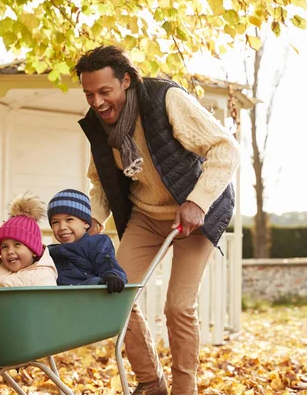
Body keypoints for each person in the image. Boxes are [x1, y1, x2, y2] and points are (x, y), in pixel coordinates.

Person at [74, 45, 241, 395]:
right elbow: (101, 180)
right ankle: (152, 383)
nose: (98, 102)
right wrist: (93, 220)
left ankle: (184, 388)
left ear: (127, 80)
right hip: (147, 215)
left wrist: (197, 201)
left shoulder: (166, 99)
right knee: (113, 296)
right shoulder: (97, 126)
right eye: (89, 94)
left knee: (178, 306)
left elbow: (226, 148)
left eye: (105, 92)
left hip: (194, 214)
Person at [46, 188, 127, 293]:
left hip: (92, 296)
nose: (62, 227)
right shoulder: (50, 252)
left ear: (86, 223)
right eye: (55, 222)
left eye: (69, 220)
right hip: (62, 299)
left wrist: (112, 275)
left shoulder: (96, 243)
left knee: (96, 281)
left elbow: (106, 262)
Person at [0, 193, 58, 288]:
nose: (10, 251)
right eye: (4, 247)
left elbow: (45, 300)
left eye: (17, 244)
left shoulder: (42, 275)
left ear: (34, 251)